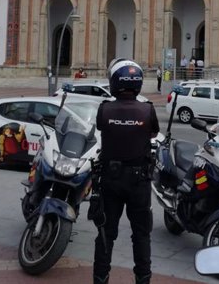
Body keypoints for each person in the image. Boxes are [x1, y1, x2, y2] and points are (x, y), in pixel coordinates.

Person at [93, 58, 160, 284]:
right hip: (139, 182)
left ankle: (101, 278)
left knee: (105, 234)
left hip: (110, 181)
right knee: (141, 235)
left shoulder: (104, 109)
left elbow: (102, 128)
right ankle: (143, 279)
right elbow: (153, 133)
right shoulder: (148, 110)